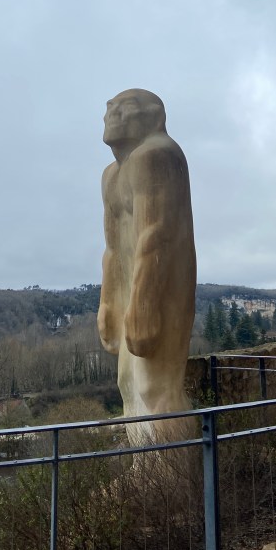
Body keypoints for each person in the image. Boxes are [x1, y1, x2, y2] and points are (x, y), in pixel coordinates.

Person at [98, 89, 197, 444]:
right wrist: (109, 303)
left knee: (156, 388)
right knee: (127, 384)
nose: (113, 113)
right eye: (110, 107)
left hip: (161, 288)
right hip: (132, 291)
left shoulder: (157, 155)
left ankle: (175, 482)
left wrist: (144, 307)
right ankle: (146, 476)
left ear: (154, 116)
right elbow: (112, 249)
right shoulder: (111, 175)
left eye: (126, 108)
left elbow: (158, 237)